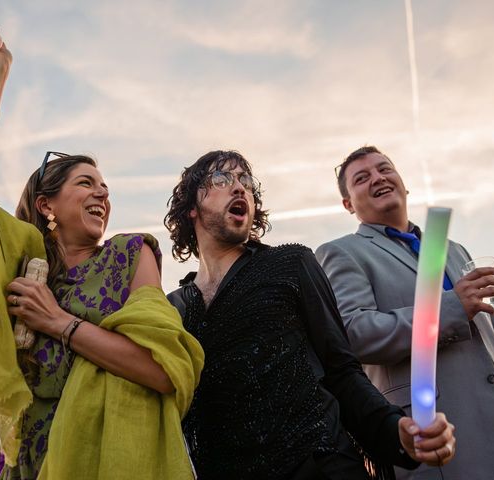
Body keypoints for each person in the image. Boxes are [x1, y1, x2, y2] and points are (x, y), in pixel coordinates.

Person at [0, 26, 204, 479]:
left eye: (106, 188)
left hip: (112, 463)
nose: (102, 194)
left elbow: (163, 369)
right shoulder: (20, 265)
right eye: (86, 183)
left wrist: (57, 322)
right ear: (46, 205)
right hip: (27, 465)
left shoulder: (129, 254)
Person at [164, 150, 456, 480]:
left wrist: (394, 431)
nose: (239, 188)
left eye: (246, 181)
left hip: (320, 467)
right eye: (221, 179)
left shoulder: (291, 263)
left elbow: (342, 370)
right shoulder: (175, 308)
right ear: (191, 207)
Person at [316, 145, 494, 479]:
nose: (378, 178)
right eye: (362, 178)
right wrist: (451, 309)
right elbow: (355, 333)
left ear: (403, 184)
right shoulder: (341, 253)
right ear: (348, 204)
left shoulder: (450, 248)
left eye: (384, 169)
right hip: (447, 439)